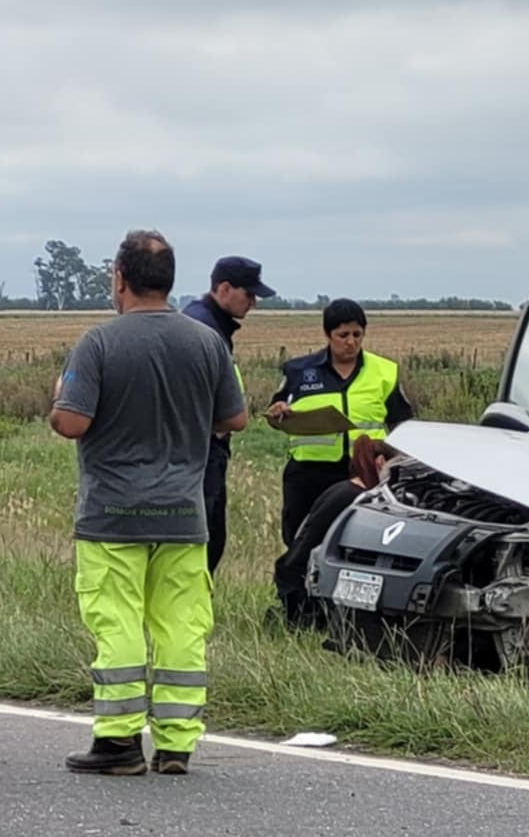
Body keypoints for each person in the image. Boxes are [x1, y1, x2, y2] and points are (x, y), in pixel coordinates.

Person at [50, 230, 246, 777]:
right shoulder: (207, 343)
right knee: (182, 625)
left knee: (118, 625)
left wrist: (58, 397)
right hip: (184, 512)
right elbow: (235, 418)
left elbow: (71, 422)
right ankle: (178, 742)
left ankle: (117, 741)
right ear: (171, 280)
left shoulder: (99, 344)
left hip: (112, 513)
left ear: (119, 278)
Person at [266, 298, 412, 546]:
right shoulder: (299, 372)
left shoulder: (385, 371)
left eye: (357, 334)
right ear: (327, 334)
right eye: (343, 335)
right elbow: (276, 415)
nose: (351, 342)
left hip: (363, 474)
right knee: (302, 543)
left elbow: (403, 426)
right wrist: (277, 412)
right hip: (309, 474)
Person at [181, 254, 274, 572]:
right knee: (201, 543)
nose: (253, 303)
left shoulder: (206, 323)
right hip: (200, 452)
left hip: (200, 450)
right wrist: (218, 425)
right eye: (248, 294)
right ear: (223, 289)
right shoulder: (204, 330)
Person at [271, 435, 392, 630]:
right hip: (305, 591)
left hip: (298, 581)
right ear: (381, 463)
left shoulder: (344, 491)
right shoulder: (355, 499)